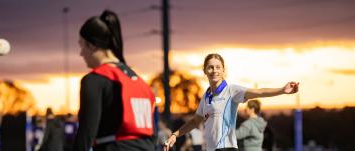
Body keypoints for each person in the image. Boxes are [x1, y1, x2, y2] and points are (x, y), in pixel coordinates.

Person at [164, 53, 299, 151]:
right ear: (205, 71)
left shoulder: (231, 90)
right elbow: (195, 121)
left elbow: (259, 92)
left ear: (223, 70)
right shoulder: (206, 96)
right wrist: (175, 134)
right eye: (210, 67)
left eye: (218, 67)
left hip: (226, 148)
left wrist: (282, 90)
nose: (214, 70)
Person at [73, 10, 156, 151]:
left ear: (92, 45)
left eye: (82, 46)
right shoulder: (140, 83)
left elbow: (86, 136)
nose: (81, 54)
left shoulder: (95, 80)